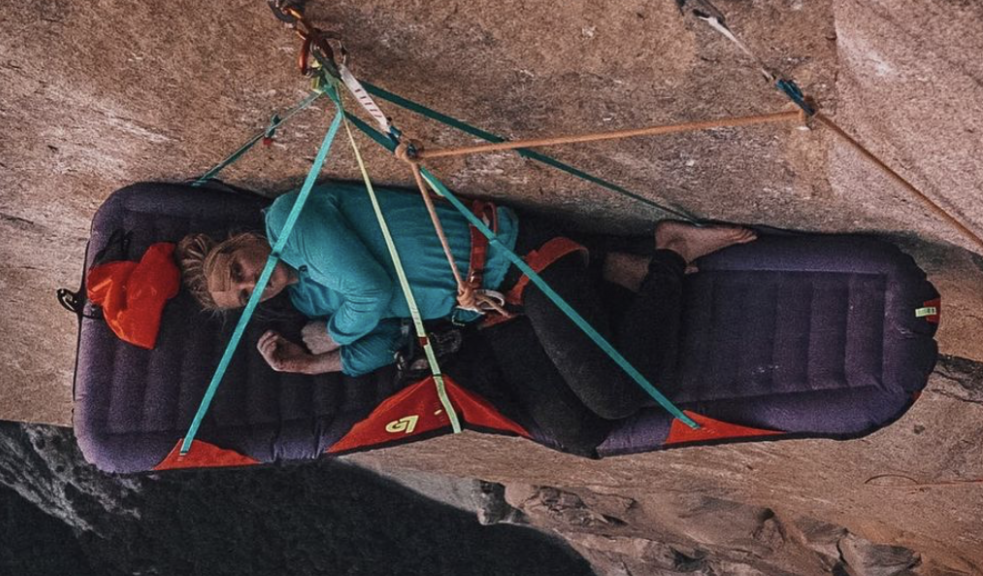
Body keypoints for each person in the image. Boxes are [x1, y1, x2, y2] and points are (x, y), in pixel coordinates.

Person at [176, 182, 755, 452]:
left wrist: (331, 336)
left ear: (241, 240)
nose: (252, 282)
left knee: (615, 396)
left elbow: (372, 292)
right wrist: (313, 368)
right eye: (245, 295)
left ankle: (670, 252)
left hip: (516, 256)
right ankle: (605, 276)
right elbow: (389, 340)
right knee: (578, 433)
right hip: (494, 310)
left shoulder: (289, 219)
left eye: (238, 269)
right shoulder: (309, 299)